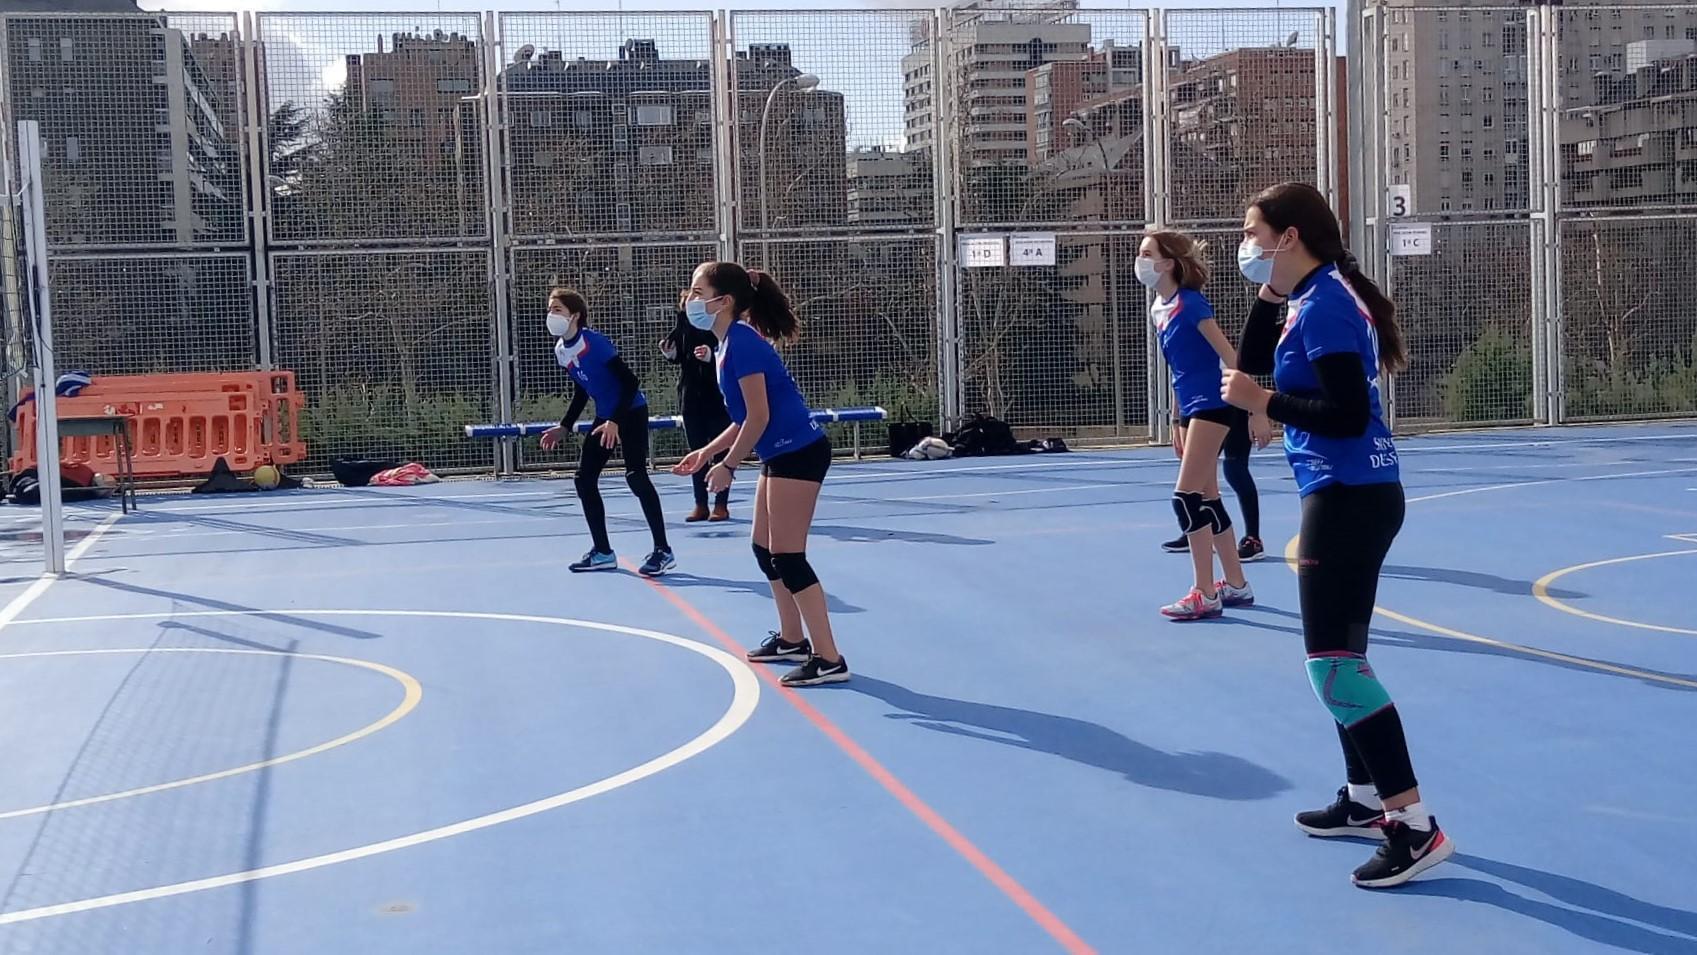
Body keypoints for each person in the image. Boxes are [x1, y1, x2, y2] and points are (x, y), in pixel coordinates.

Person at [1220, 181, 1452, 889]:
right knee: (1341, 657)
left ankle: (1412, 824)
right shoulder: (1307, 296)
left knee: (1331, 665)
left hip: (1350, 495)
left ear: (1289, 236)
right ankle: (1359, 797)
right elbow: (1254, 355)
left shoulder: (1322, 305)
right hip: (1349, 491)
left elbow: (1346, 413)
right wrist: (1267, 291)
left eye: (1255, 233)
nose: (1247, 245)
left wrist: (1264, 405)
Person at [671, 262, 846, 687]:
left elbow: (761, 417)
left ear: (723, 302)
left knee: (788, 556)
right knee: (763, 548)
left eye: (697, 292)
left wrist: (728, 466)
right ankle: (791, 639)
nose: (690, 299)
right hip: (779, 452)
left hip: (798, 452)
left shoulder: (744, 344)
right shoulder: (727, 344)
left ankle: (829, 658)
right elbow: (744, 416)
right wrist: (707, 451)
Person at [1136, 230, 1258, 621]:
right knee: (1208, 498)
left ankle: (1204, 591)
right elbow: (1179, 368)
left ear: (1168, 263)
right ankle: (1236, 584)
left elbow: (1230, 355)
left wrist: (1256, 410)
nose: (1138, 261)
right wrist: (1177, 417)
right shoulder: (1160, 307)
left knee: (1185, 497)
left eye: (1146, 254)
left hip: (1214, 404)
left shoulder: (1191, 304)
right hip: (1191, 407)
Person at [538, 287, 675, 578]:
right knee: (584, 479)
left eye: (557, 309)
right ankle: (602, 552)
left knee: (636, 475)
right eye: (550, 309)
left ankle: (663, 550)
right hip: (605, 416)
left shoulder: (594, 343)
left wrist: (615, 420)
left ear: (574, 315)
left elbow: (630, 381)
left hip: (630, 411)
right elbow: (581, 390)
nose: (551, 315)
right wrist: (565, 426)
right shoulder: (562, 351)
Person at [660, 288, 732, 523]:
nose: (689, 305)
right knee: (697, 450)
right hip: (691, 395)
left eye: (693, 299)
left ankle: (721, 505)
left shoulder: (718, 321)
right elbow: (681, 356)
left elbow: (727, 351)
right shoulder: (683, 323)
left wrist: (711, 356)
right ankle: (700, 504)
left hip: (717, 395)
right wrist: (670, 354)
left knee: (720, 451)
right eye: (686, 301)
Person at [1162, 411, 1266, 563]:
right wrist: (1176, 421)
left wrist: (1255, 414)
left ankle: (1253, 539)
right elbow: (1177, 388)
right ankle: (1196, 531)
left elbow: (1246, 386)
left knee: (1235, 471)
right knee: (1197, 475)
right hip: (1193, 408)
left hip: (1231, 407)